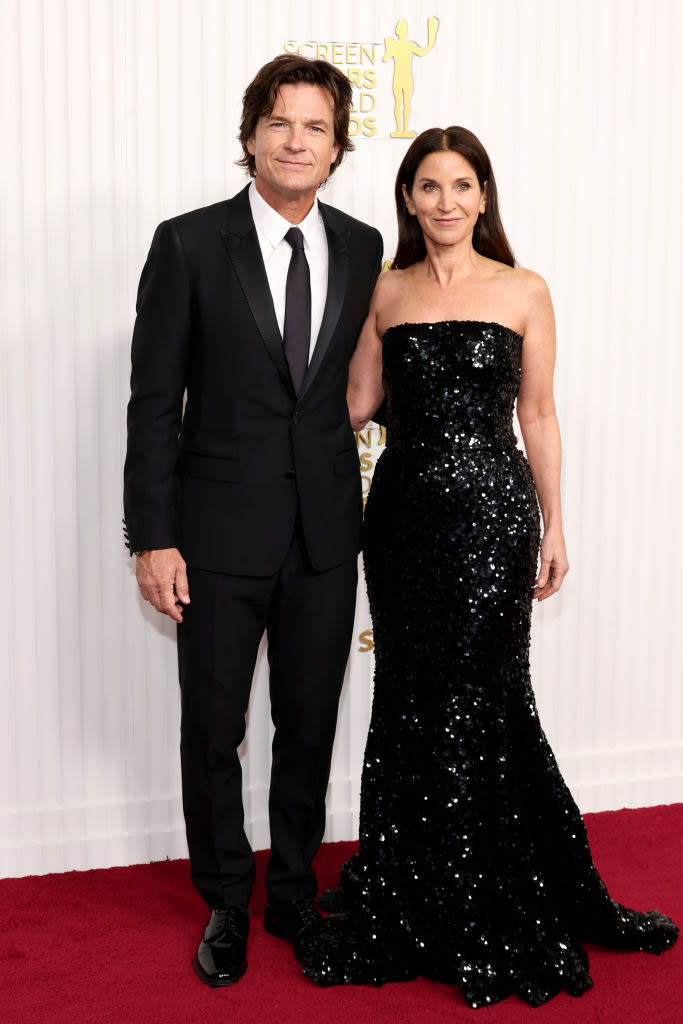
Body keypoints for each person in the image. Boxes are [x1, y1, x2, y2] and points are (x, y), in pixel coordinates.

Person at [300, 127, 678, 1008]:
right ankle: (416, 891)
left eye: (461, 186)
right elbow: (354, 404)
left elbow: (538, 416)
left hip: (494, 520)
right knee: (410, 692)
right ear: (406, 198)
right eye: (427, 186)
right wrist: (252, 415)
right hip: (399, 524)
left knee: (483, 691)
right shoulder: (383, 292)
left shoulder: (523, 289)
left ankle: (486, 889)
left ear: (483, 196)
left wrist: (554, 524)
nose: (444, 202)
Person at [123, 54, 383, 987]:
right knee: (214, 728)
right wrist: (152, 536)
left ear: (337, 146)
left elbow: (348, 387)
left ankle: (293, 897)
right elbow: (154, 403)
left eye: (316, 127)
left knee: (309, 724)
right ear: (249, 136)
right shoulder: (188, 243)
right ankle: (227, 899)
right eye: (280, 123)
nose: (296, 141)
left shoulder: (360, 246)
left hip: (323, 533)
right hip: (214, 536)